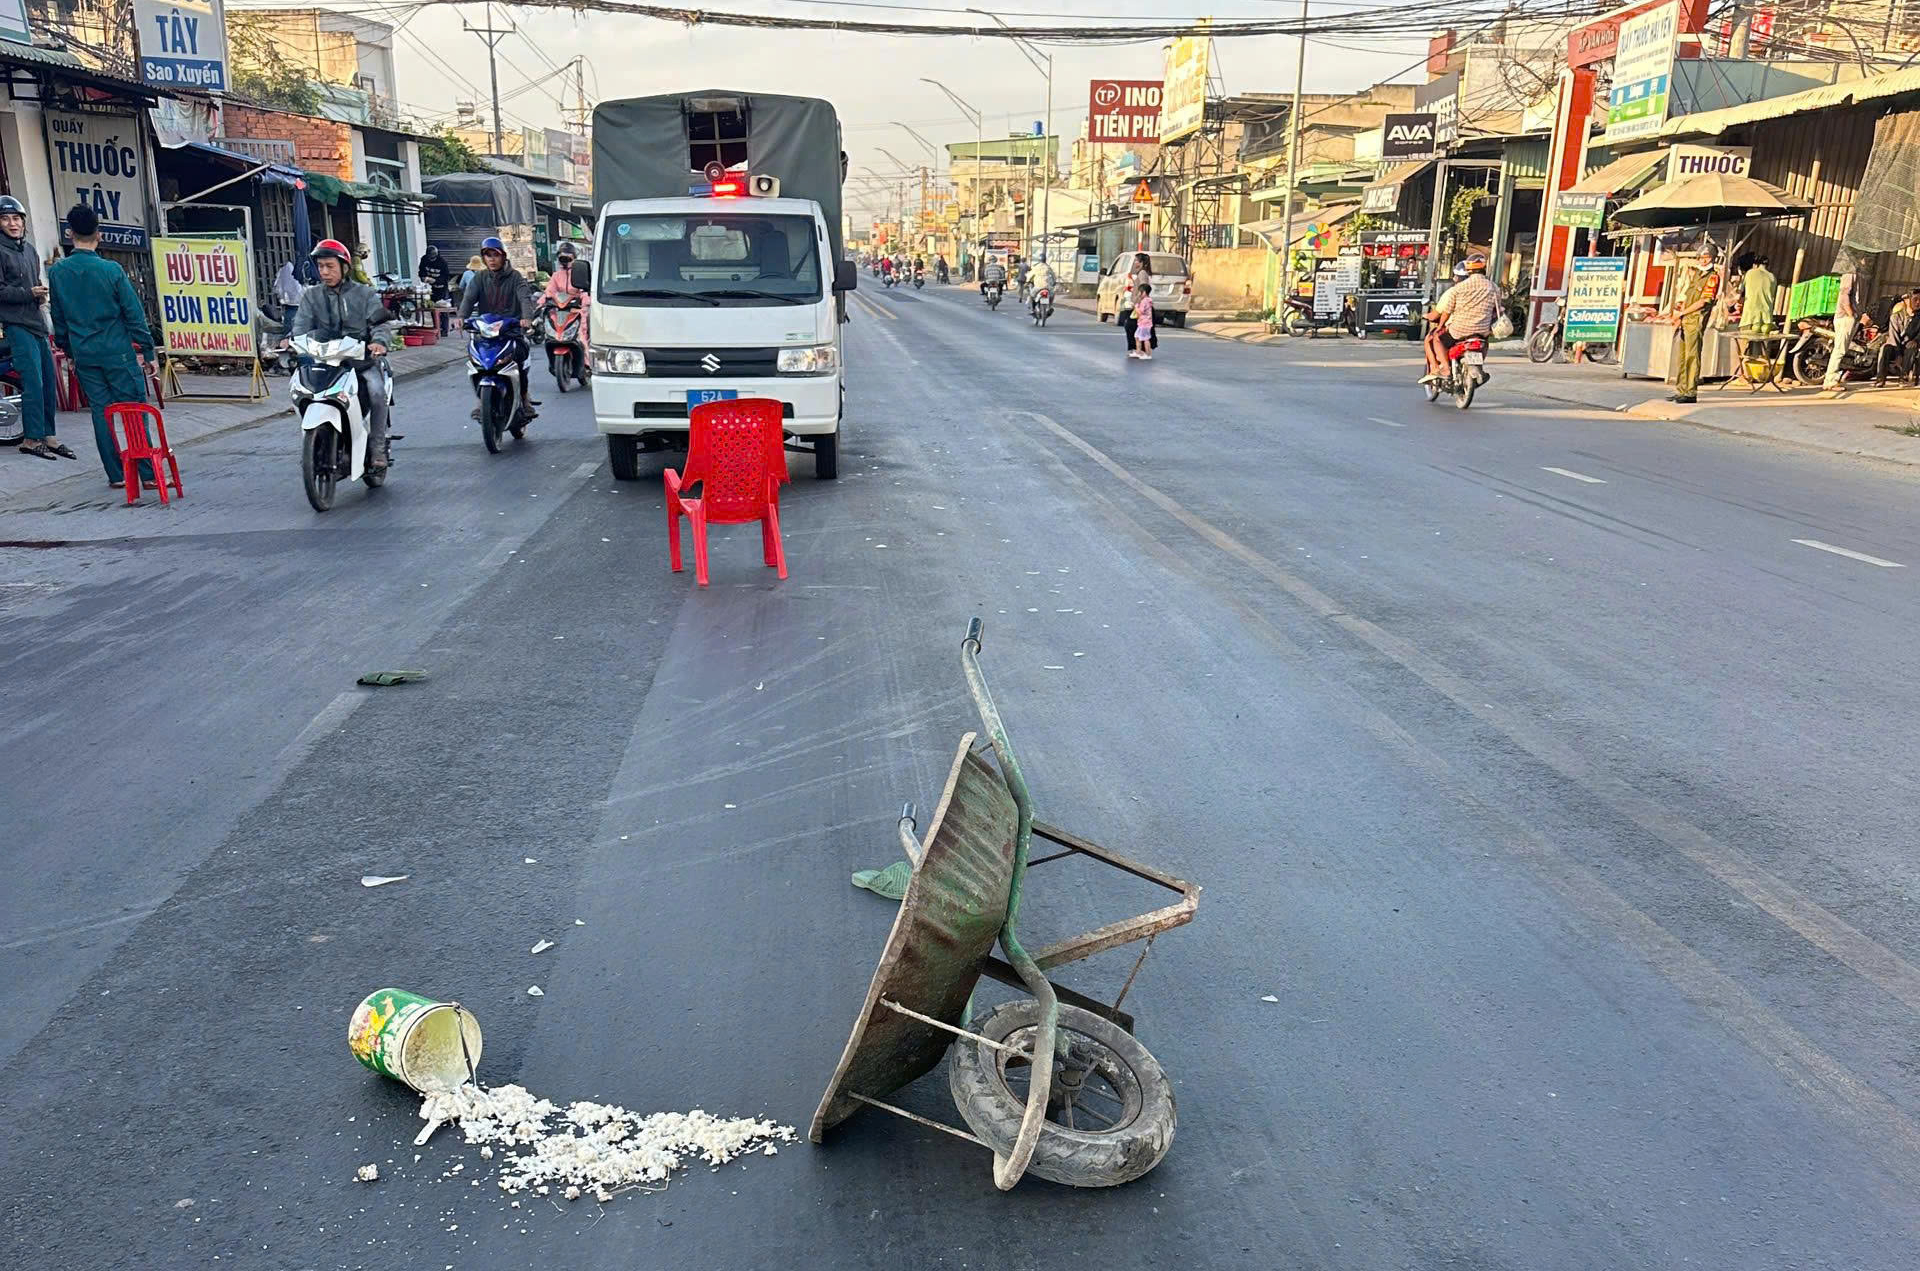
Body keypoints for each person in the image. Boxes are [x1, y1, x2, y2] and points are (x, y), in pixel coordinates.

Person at [47, 203, 157, 487]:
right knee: (133, 409)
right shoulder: (111, 270)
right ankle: (146, 473)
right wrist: (148, 350)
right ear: (99, 233)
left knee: (101, 411)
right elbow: (133, 314)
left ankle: (117, 475)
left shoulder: (58, 272)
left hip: (85, 354)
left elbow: (58, 318)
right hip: (117, 352)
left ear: (70, 233)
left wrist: (69, 352)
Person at [292, 238, 395, 469]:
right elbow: (300, 326)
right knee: (303, 392)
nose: (324, 272)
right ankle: (316, 444)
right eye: (321, 266)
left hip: (361, 361)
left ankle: (377, 448)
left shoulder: (364, 294)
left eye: (330, 266)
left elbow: (380, 323)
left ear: (344, 267)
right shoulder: (311, 296)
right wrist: (291, 340)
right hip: (325, 361)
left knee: (377, 393)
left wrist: (378, 342)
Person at [0, 195, 71, 462]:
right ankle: (31, 439)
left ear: (23, 221)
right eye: (5, 219)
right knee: (32, 382)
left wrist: (39, 295)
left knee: (48, 381)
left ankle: (48, 435)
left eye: (16, 218)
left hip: (36, 322)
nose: (12, 223)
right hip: (16, 324)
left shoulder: (29, 250)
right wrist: (28, 293)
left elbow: (34, 282)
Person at [458, 235, 537, 423]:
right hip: (486, 333)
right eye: (488, 255)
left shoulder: (515, 277)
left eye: (495, 255)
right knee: (476, 361)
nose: (492, 259)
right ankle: (481, 401)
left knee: (520, 357)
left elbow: (524, 298)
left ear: (503, 257)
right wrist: (461, 317)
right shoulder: (479, 278)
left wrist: (526, 318)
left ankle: (524, 397)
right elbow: (469, 298)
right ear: (484, 258)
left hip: (511, 331)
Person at [1421, 254, 1499, 384]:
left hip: (1458, 331)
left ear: (1469, 270)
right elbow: (1497, 309)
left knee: (1437, 338)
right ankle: (1479, 366)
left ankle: (1446, 369)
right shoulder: (1494, 287)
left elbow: (1447, 311)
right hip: (1482, 331)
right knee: (1485, 343)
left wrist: (1440, 326)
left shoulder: (1458, 288)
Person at [1667, 240, 1719, 403]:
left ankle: (1690, 392)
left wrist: (1682, 313)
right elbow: (1688, 296)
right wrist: (1679, 311)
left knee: (1692, 357)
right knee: (1682, 357)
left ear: (1712, 258)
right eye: (1701, 257)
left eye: (1706, 257)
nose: (1703, 260)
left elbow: (1703, 302)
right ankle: (1681, 389)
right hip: (1685, 320)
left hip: (1696, 320)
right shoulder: (1697, 275)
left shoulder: (1712, 277)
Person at [1825, 254, 1863, 393]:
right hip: (1845, 317)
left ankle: (1832, 379)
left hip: (1847, 317)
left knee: (1841, 349)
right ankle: (1830, 380)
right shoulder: (1849, 274)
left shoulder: (1854, 274)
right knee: (1840, 350)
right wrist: (1851, 313)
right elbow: (1844, 295)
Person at [543, 242, 588, 355]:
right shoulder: (556, 275)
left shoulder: (579, 274)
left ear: (574, 258)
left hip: (577, 310)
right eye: (562, 257)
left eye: (568, 257)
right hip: (560, 311)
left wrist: (585, 300)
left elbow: (584, 291)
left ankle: (587, 360)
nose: (565, 261)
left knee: (583, 333)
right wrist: (542, 301)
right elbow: (549, 291)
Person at [1129, 283, 1156, 361]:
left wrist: (1136, 307)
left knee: (1146, 339)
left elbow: (1140, 312)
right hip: (1142, 323)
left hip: (1145, 323)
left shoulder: (1145, 301)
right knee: (1137, 337)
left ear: (1143, 292)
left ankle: (1148, 354)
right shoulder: (1147, 300)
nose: (1138, 294)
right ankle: (1138, 352)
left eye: (1139, 292)